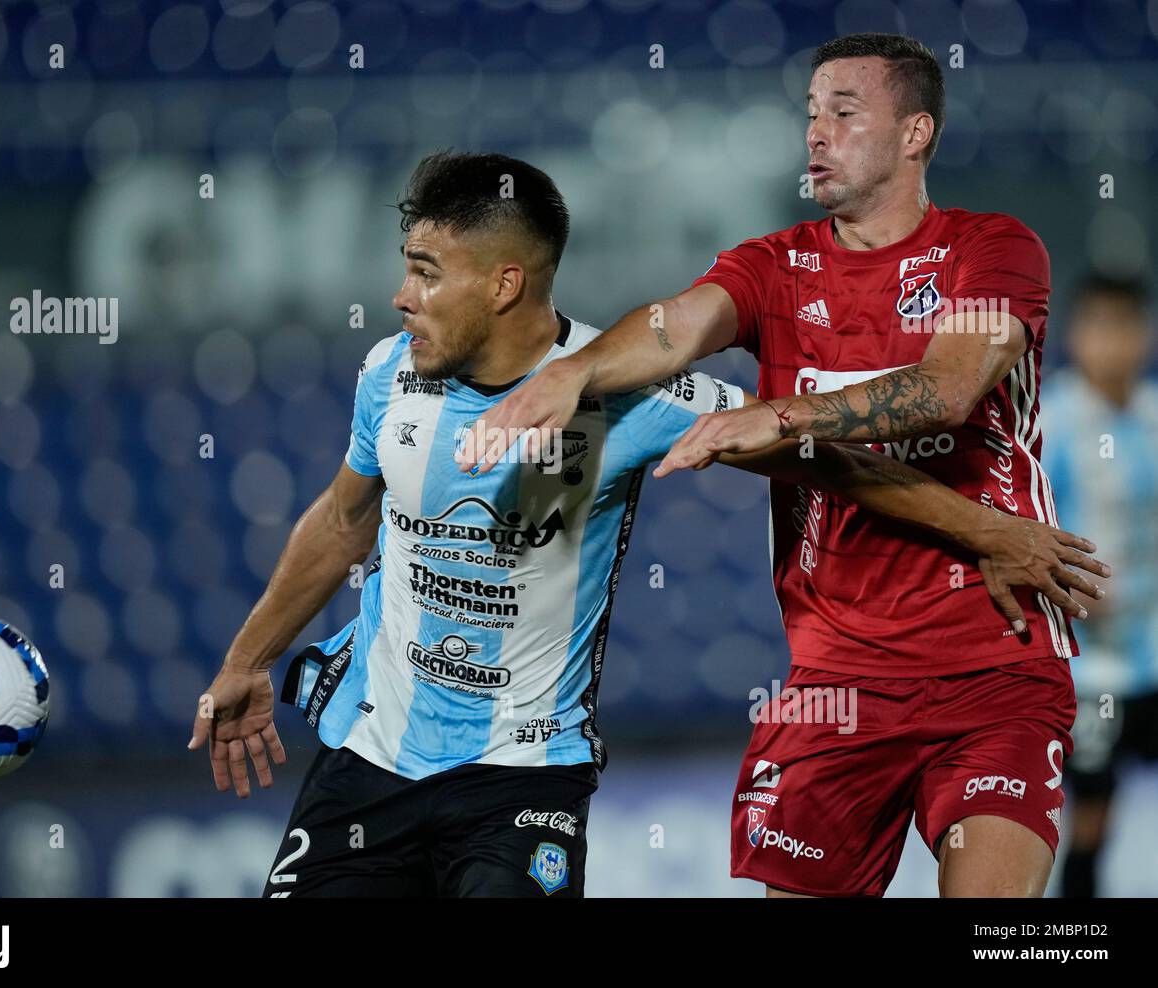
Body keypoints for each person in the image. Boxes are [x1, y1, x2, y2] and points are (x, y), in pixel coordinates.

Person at [189, 150, 1103, 898]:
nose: (400, 295)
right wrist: (245, 660)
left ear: (504, 282)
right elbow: (345, 521)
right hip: (368, 760)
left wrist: (985, 529)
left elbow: (832, 465)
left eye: (425, 273)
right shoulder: (389, 375)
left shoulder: (634, 398)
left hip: (520, 778)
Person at [458, 35, 1110, 897]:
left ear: (916, 133)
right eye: (810, 114)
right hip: (833, 676)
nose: (815, 135)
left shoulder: (994, 250)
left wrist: (779, 414)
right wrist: (574, 373)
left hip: (996, 656)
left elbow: (948, 391)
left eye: (844, 113)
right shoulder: (771, 266)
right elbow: (673, 326)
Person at [1041, 273, 1158, 897]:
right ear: (1077, 335)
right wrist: (1067, 584)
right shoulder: (1052, 424)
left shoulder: (1153, 414)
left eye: (1128, 326)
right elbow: (1014, 527)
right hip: (1091, 670)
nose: (1114, 343)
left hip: (1155, 650)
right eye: (1100, 326)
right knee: (1089, 824)